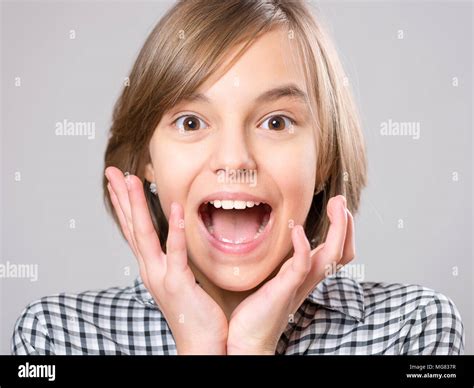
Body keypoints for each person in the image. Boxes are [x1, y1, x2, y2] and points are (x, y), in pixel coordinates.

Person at [12, 0, 464, 355]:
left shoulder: (415, 328)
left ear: (324, 157)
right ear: (147, 160)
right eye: (191, 122)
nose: (234, 159)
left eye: (276, 122)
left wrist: (252, 347)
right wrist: (199, 346)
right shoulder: (56, 337)